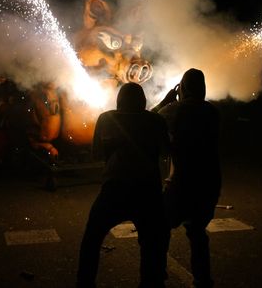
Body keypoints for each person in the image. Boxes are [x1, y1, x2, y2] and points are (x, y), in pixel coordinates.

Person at [77, 82, 170, 288]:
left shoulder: (106, 118)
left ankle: (84, 283)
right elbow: (165, 151)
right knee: (153, 243)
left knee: (91, 239)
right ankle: (151, 283)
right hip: (148, 190)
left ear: (119, 101)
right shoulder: (156, 120)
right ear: (143, 101)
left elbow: (97, 154)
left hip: (114, 188)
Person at [153, 68, 221, 288]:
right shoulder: (212, 112)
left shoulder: (172, 110)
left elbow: (149, 122)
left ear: (181, 88)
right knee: (198, 233)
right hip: (209, 182)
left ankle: (156, 275)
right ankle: (203, 280)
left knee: (160, 228)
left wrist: (165, 101)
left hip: (181, 182)